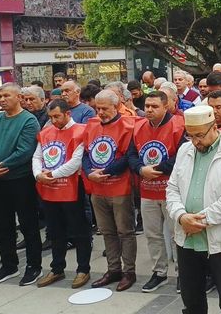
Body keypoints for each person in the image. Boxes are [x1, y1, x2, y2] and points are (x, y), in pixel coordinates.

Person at [167, 106, 221, 314]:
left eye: (200, 135)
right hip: (187, 238)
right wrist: (181, 216)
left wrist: (200, 221)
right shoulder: (185, 150)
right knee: (191, 300)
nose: (195, 141)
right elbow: (173, 188)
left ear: (214, 127)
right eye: (190, 135)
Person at [0, 83, 42, 286]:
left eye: (6, 95)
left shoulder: (28, 120)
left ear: (19, 97)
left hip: (20, 181)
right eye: (0, 96)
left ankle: (34, 266)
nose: (1, 99)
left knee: (28, 225)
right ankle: (9, 265)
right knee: (2, 225)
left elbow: (24, 151)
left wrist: (1, 165)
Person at [128, 91, 185, 293]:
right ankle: (159, 272)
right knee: (152, 235)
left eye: (154, 106)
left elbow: (181, 157)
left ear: (166, 107)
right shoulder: (138, 127)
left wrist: (157, 170)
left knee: (176, 235)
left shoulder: (179, 125)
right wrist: (140, 169)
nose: (149, 110)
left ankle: (182, 274)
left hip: (171, 191)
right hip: (147, 191)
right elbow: (131, 155)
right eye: (147, 106)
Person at [32, 99, 93, 289]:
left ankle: (83, 268)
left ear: (68, 113)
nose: (54, 120)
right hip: (49, 189)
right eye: (51, 117)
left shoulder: (81, 131)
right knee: (55, 231)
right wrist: (38, 174)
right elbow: (37, 156)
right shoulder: (46, 132)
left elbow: (76, 161)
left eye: (57, 116)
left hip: (71, 188)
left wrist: (51, 175)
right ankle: (57, 267)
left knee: (79, 230)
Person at [82, 90, 138, 292]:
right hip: (97, 187)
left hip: (119, 187)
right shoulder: (92, 124)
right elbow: (86, 153)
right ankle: (113, 269)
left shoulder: (128, 125)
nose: (100, 112)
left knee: (125, 231)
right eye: (98, 108)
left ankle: (129, 271)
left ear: (116, 106)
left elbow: (127, 157)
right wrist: (89, 173)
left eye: (105, 108)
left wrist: (104, 171)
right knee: (107, 231)